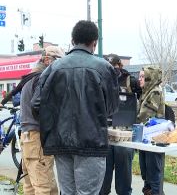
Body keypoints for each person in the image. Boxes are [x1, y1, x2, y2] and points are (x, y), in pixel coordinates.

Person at [31, 20, 119, 195]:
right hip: (91, 144)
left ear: (72, 40)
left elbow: (36, 105)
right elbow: (112, 107)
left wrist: (53, 127)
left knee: (68, 192)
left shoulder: (53, 68)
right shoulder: (104, 68)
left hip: (60, 143)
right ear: (95, 43)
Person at [20, 45, 65, 195]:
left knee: (32, 186)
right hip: (38, 138)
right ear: (47, 60)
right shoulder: (42, 78)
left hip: (28, 138)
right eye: (58, 61)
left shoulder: (30, 76)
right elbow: (40, 107)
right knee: (44, 188)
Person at [100, 54, 141, 195]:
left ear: (120, 65)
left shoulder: (131, 81)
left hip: (124, 134)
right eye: (109, 67)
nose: (112, 70)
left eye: (114, 66)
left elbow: (141, 103)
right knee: (103, 180)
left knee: (123, 179)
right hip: (106, 133)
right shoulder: (101, 80)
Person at [137, 66, 165, 195]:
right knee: (146, 175)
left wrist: (128, 118)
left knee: (153, 177)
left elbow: (144, 115)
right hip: (145, 138)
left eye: (143, 76)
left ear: (150, 78)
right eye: (139, 76)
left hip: (154, 139)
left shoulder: (155, 92)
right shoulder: (146, 91)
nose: (139, 79)